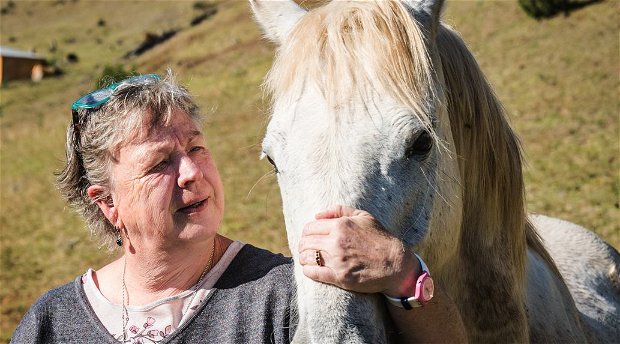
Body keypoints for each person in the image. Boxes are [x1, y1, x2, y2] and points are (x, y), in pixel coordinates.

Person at [11, 72, 466, 343]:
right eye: (160, 163)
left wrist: (404, 272)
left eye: (197, 148)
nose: (192, 172)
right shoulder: (52, 322)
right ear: (108, 204)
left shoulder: (286, 297)